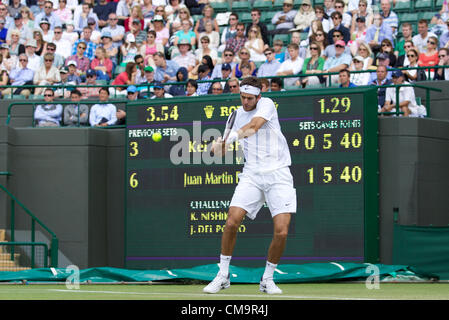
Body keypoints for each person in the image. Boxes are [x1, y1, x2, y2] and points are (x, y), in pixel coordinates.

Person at [204, 76, 296, 295]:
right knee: (232, 221)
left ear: (259, 95)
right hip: (252, 174)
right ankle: (223, 275)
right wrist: (218, 147)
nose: (246, 102)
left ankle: (267, 279)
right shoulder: (235, 114)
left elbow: (254, 126)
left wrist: (230, 138)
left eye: (250, 98)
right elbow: (224, 149)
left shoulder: (266, 105)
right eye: (243, 97)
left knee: (282, 232)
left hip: (278, 173)